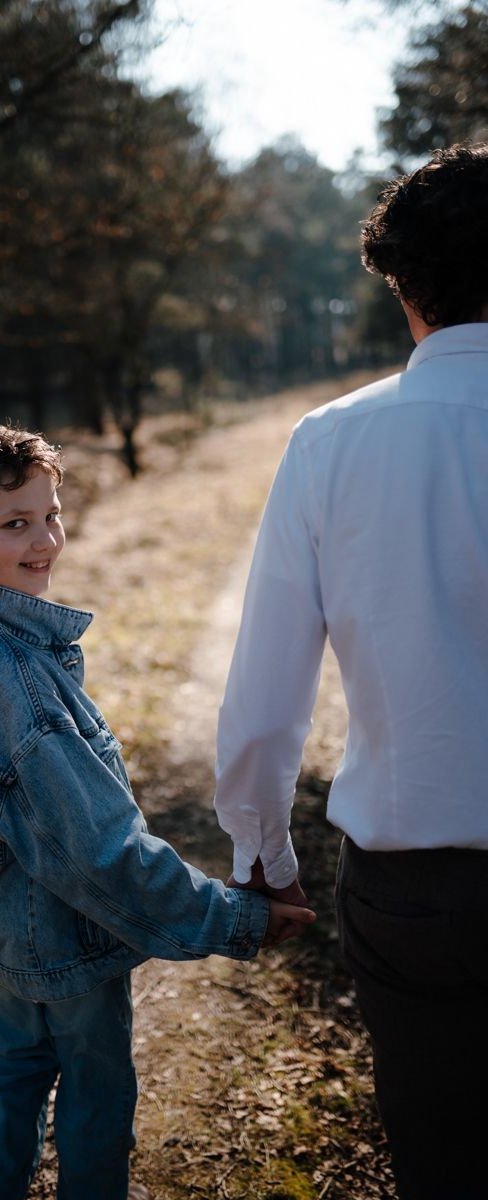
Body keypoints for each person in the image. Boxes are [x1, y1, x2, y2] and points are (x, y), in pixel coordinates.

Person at [0, 406, 315, 1200]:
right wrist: (235, 917)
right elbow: (99, 850)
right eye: (16, 523)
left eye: (52, 515)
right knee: (96, 1090)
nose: (47, 541)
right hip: (56, 935)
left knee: (15, 1065)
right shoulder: (9, 677)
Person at [213, 142, 488, 1200]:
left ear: (401, 292)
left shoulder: (329, 443)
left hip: (412, 890)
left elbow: (265, 692)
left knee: (438, 1159)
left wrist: (259, 853)